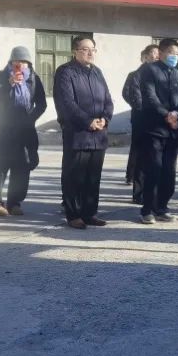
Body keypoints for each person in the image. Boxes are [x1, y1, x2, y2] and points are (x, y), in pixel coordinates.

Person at [54, 36, 113, 229]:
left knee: (93, 177)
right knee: (74, 176)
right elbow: (67, 103)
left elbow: (108, 99)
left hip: (99, 134)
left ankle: (90, 213)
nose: (90, 53)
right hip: (78, 133)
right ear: (75, 51)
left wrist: (105, 118)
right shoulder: (65, 72)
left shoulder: (97, 72)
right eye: (85, 49)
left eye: (93, 49)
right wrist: (88, 121)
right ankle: (73, 214)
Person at [137, 38, 178, 223]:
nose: (174, 56)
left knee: (169, 171)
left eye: (176, 53)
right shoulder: (150, 70)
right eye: (170, 52)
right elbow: (149, 97)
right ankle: (147, 209)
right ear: (160, 53)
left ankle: (162, 207)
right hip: (154, 129)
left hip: (173, 130)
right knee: (154, 169)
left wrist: (177, 113)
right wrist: (166, 114)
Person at [0, 46, 47, 217]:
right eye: (17, 61)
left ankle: (14, 202)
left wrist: (31, 118)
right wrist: (10, 85)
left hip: (25, 130)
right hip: (4, 129)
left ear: (29, 63)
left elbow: (42, 103)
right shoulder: (1, 76)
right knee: (0, 166)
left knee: (22, 167)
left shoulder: (34, 79)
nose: (20, 65)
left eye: (24, 62)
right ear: (11, 62)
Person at [123, 44, 159, 202]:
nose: (156, 56)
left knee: (155, 156)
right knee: (140, 155)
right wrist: (141, 109)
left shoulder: (160, 74)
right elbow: (128, 94)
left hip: (158, 120)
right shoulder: (136, 74)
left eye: (158, 54)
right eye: (153, 53)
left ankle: (153, 192)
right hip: (141, 119)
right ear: (146, 56)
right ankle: (138, 193)